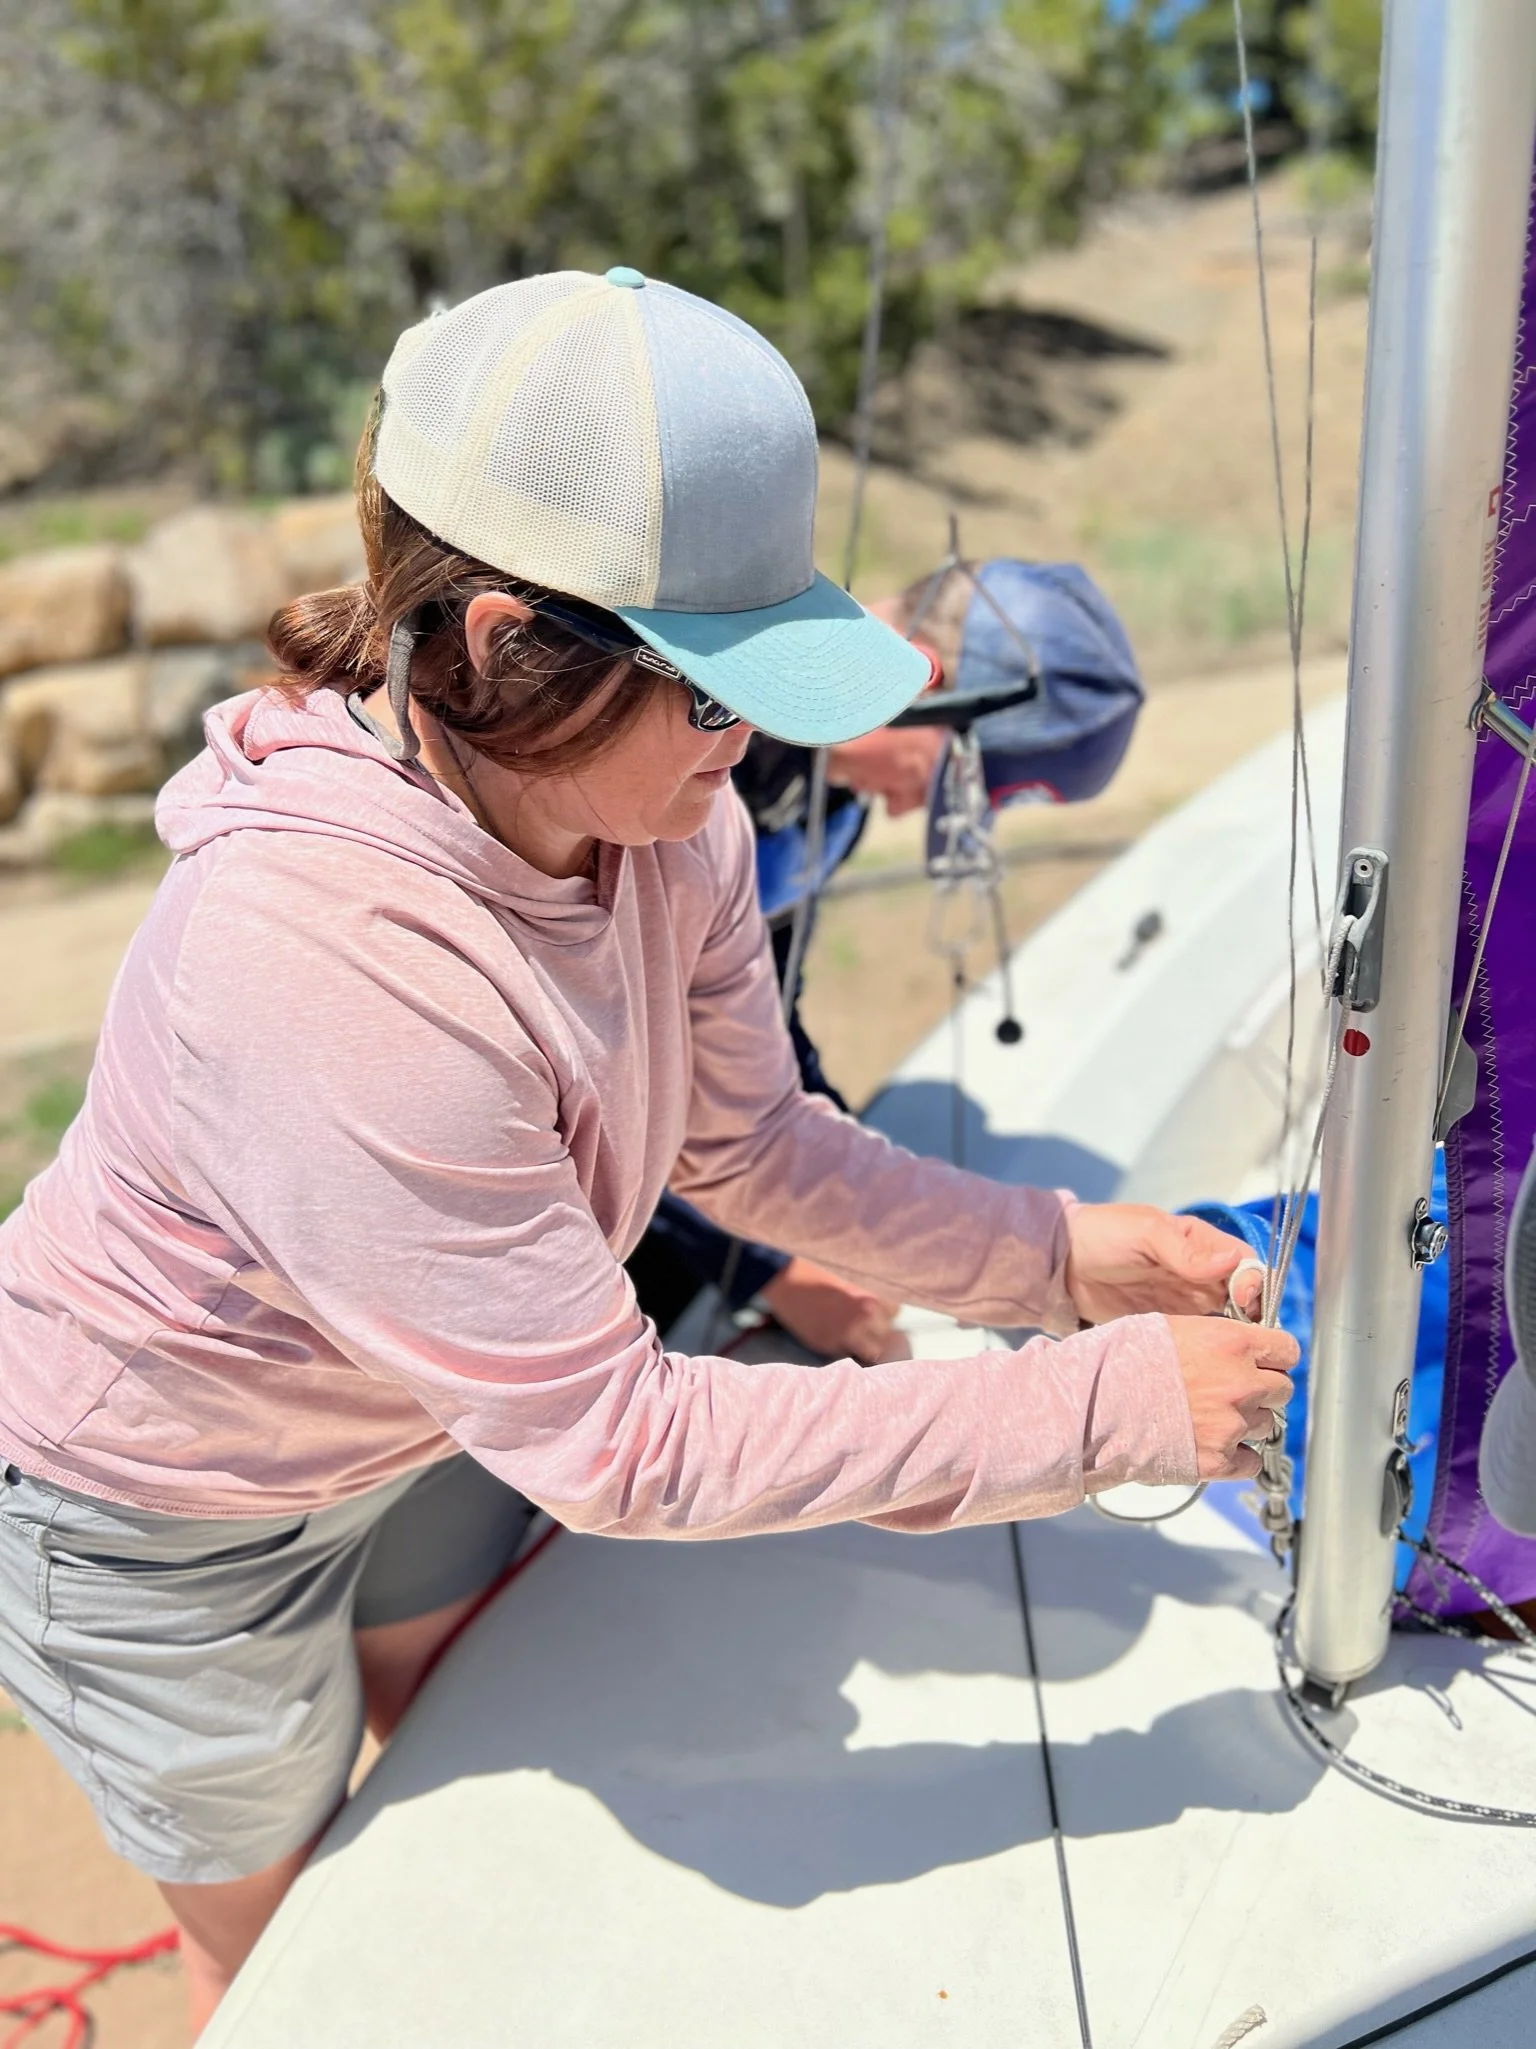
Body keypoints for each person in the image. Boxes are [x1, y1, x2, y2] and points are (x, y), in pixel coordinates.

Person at [0, 267, 1294, 2035]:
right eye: (709, 691)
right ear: (498, 641)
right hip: (160, 1511)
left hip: (423, 1414)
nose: (747, 745)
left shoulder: (655, 820)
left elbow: (751, 1141)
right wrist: (1101, 1410)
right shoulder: (326, 955)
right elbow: (616, 1437)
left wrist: (1057, 1253)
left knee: (477, 1790)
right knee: (299, 1951)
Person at [628, 552, 1146, 1362]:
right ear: (919, 683)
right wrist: (780, 1272)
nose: (909, 811)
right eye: (942, 787)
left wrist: (859, 1213)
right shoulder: (682, 751)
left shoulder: (831, 799)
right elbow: (602, 1061)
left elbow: (762, 1027)